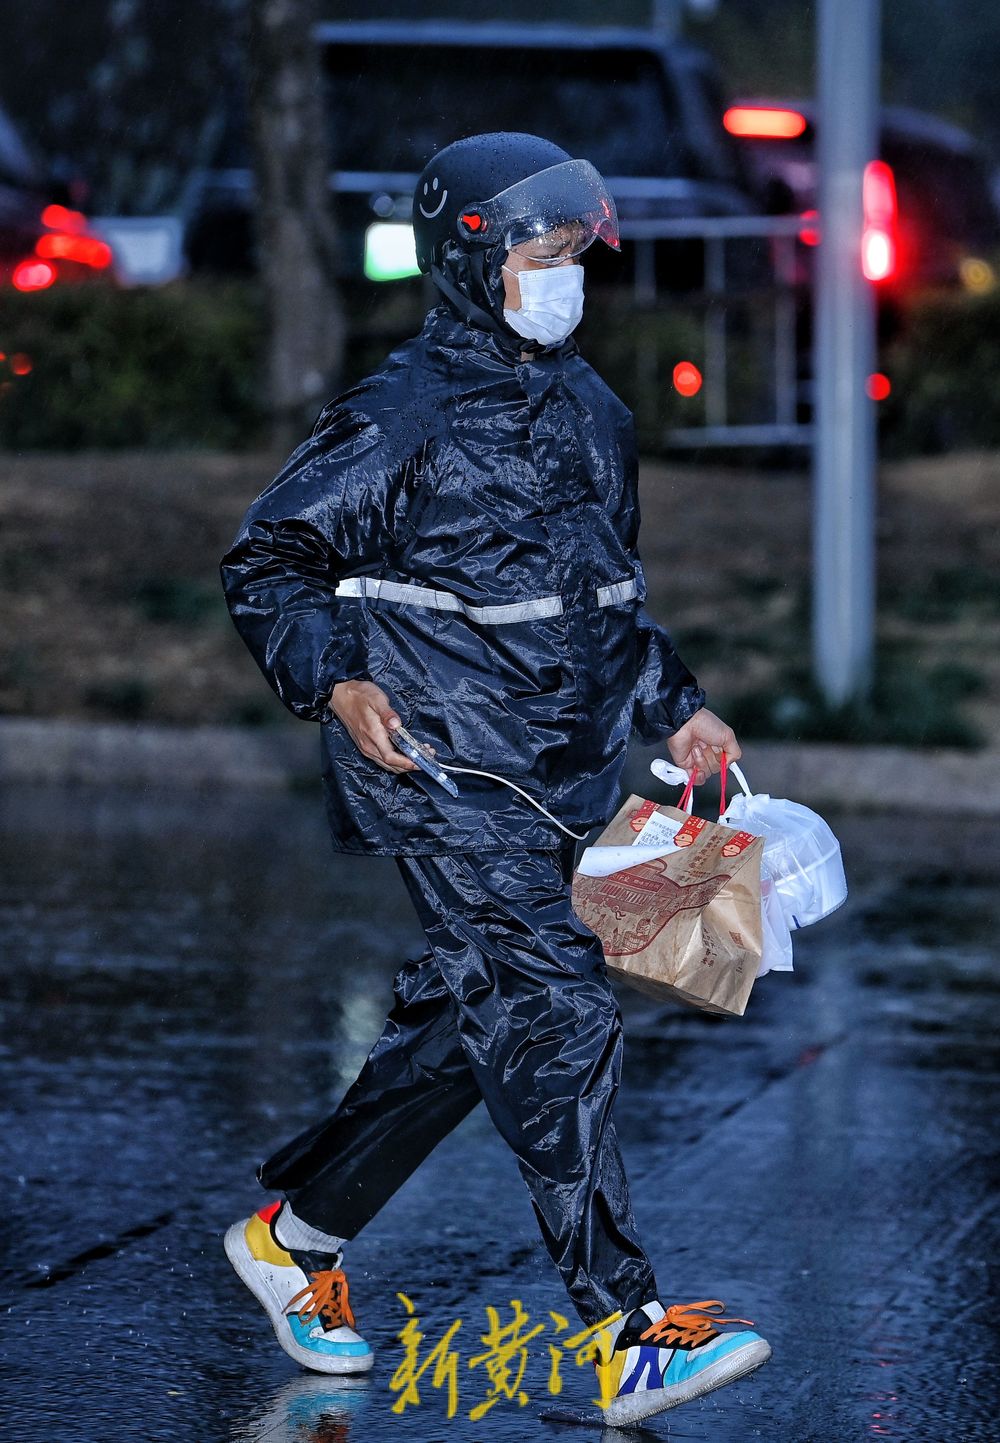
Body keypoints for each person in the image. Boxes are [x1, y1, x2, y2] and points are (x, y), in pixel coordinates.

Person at [219, 132, 771, 1426]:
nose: (564, 276)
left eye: (577, 253)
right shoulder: (399, 418)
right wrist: (336, 679)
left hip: (561, 769)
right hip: (438, 770)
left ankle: (295, 1239)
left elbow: (610, 602)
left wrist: (678, 704)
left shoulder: (594, 412)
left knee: (470, 1025)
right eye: (543, 253)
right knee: (555, 1013)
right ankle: (629, 1330)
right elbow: (270, 560)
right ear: (473, 261)